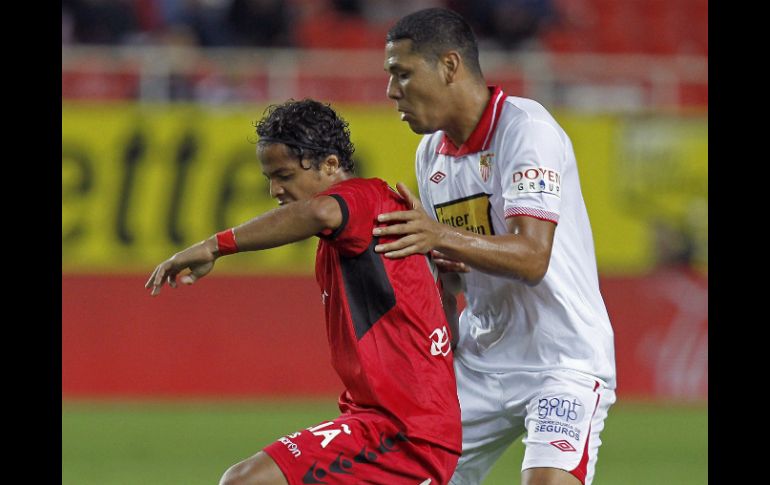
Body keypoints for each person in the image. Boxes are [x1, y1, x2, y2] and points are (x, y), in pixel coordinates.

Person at [144, 99, 462, 485]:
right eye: (269, 178)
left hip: (402, 432)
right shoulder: (361, 228)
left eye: (284, 175)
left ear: (330, 164)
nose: (274, 189)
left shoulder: (365, 198)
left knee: (243, 481)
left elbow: (319, 212)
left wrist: (215, 246)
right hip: (394, 422)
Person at [375, 8, 617, 485]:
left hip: (561, 361)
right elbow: (452, 277)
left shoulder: (526, 129)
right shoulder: (430, 154)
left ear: (449, 66)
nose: (391, 91)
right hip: (481, 360)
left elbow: (532, 258)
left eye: (403, 73)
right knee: (399, 476)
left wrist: (438, 234)